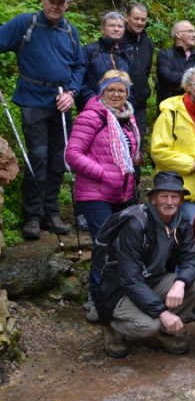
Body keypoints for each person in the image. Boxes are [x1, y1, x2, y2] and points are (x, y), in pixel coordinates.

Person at [0, 0, 84, 239]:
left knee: (59, 159)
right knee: (38, 157)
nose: (55, 6)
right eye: (52, 0)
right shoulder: (26, 23)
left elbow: (79, 66)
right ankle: (33, 216)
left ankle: (52, 212)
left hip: (61, 102)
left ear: (67, 4)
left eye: (61, 2)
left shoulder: (70, 31)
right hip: (33, 100)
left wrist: (71, 93)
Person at [95, 171, 195, 358]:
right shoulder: (136, 225)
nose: (169, 202)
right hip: (120, 289)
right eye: (163, 196)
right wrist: (161, 312)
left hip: (153, 280)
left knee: (193, 285)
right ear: (153, 199)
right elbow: (130, 279)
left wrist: (180, 282)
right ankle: (111, 326)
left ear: (181, 200)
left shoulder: (181, 222)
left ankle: (161, 333)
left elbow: (191, 257)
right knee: (149, 325)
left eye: (174, 196)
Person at [66, 70, 141, 302]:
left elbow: (126, 149)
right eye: (111, 89)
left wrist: (134, 157)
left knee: (121, 246)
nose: (117, 94)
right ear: (102, 91)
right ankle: (97, 298)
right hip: (95, 193)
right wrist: (102, 172)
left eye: (121, 90)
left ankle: (115, 295)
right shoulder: (91, 117)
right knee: (103, 245)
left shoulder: (127, 117)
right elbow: (72, 153)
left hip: (122, 192)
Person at [150, 65, 195, 223]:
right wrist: (192, 164)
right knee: (190, 230)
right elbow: (158, 151)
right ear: (187, 86)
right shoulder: (170, 114)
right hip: (178, 189)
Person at [78, 12, 132, 112]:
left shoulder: (125, 54)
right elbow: (80, 82)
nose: (116, 29)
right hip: (93, 111)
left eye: (120, 26)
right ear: (102, 29)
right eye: (112, 25)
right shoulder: (90, 51)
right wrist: (96, 103)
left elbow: (129, 85)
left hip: (120, 112)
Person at [119, 3, 153, 142]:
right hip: (119, 102)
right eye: (136, 18)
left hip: (139, 105)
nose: (140, 23)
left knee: (137, 145)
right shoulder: (118, 39)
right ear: (127, 18)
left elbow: (146, 70)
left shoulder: (147, 43)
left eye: (143, 20)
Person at [155, 20, 195, 103]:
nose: (194, 34)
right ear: (178, 34)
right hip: (170, 108)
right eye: (190, 31)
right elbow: (167, 76)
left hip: (194, 107)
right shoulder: (165, 55)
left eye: (194, 32)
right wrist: (194, 79)